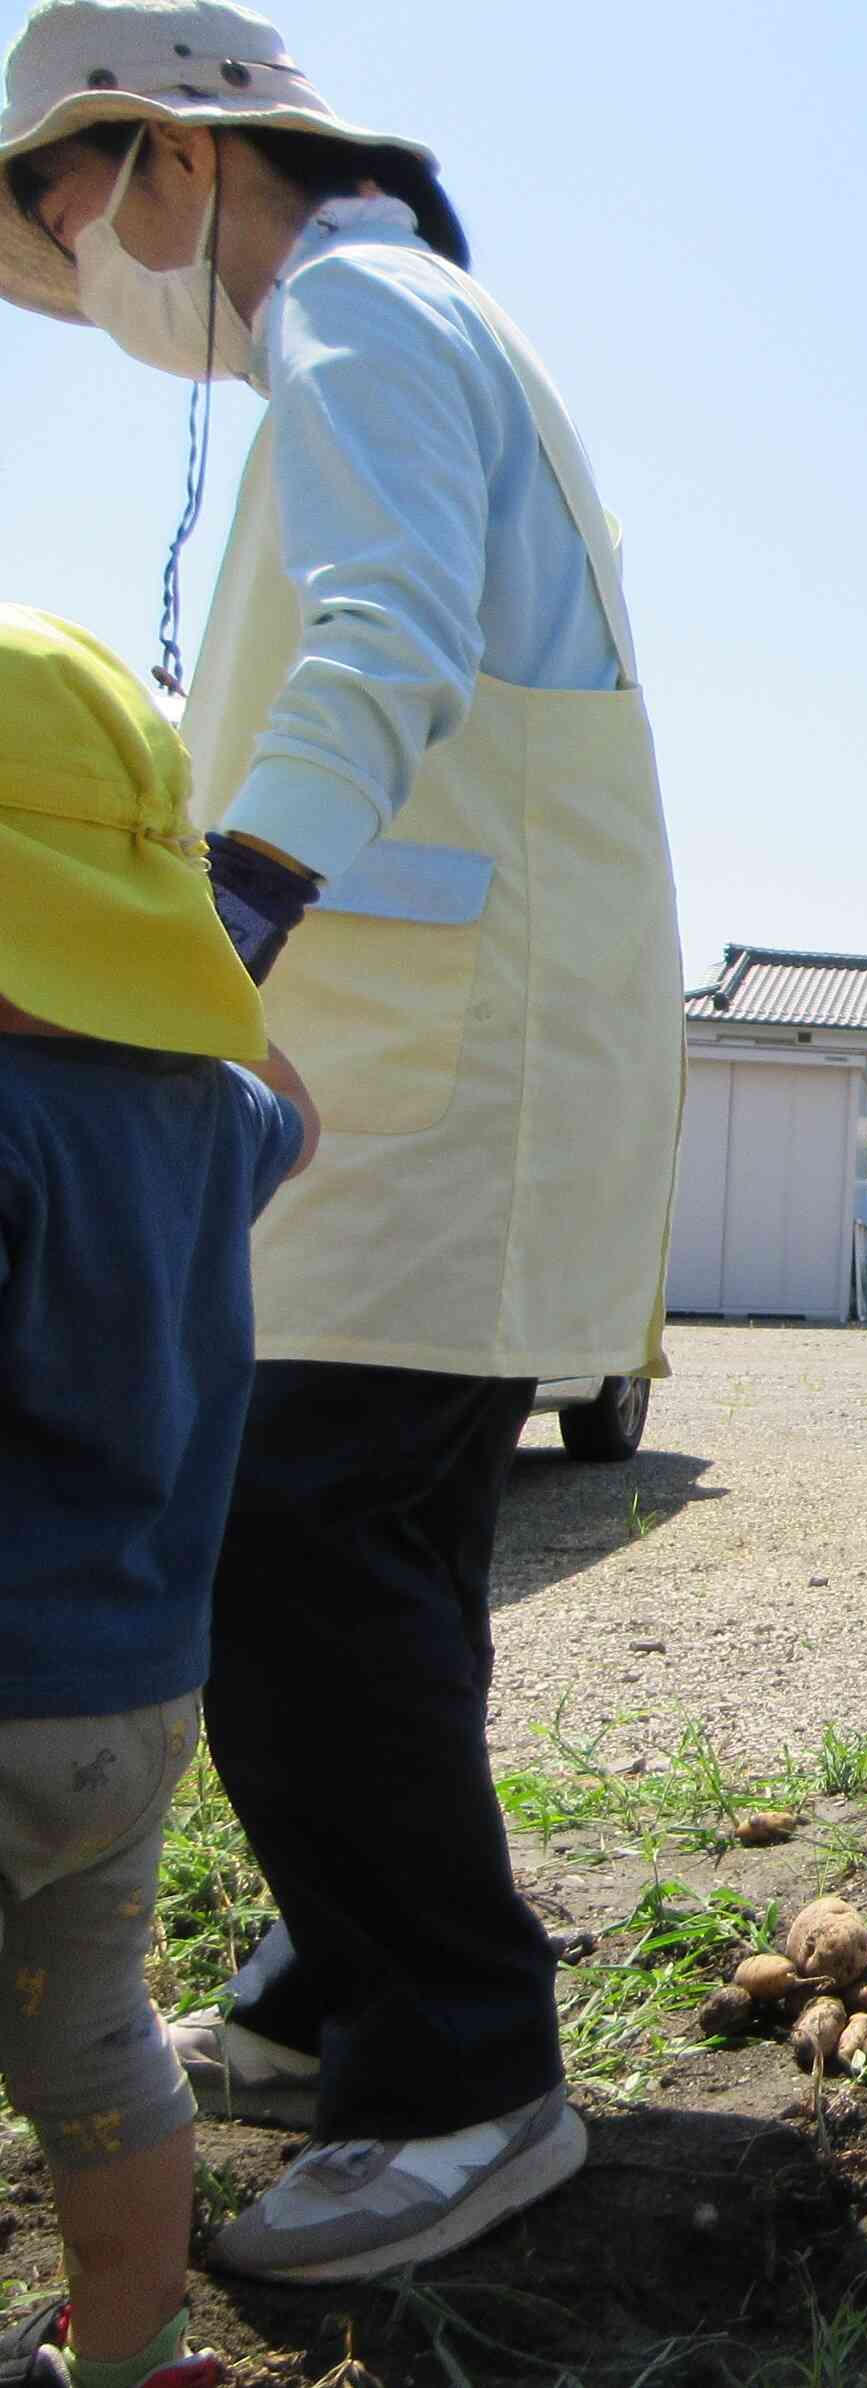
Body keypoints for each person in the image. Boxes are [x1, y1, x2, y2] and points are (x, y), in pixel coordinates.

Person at [0, 1, 685, 2281]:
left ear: (169, 157)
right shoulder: (381, 325)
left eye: (63, 213)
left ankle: (472, 2072)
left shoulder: (362, 311)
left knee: (291, 1551)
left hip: (440, 1085)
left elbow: (385, 645)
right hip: (414, 1077)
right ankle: (333, 1986)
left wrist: (202, 957)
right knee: (354, 1564)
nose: (78, 277)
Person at [0, 605, 317, 2388]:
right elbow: (300, 1116)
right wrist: (209, 972)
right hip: (130, 1708)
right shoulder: (203, 1118)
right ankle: (126, 2356)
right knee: (90, 2041)